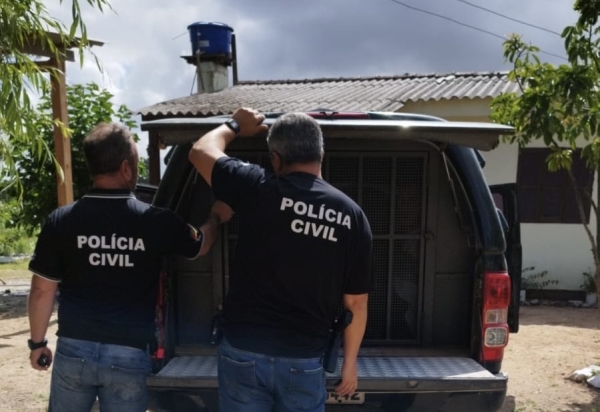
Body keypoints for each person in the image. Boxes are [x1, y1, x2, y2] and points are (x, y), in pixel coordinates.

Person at [27, 122, 232, 412]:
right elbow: (201, 243)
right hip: (129, 354)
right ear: (126, 167)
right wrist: (216, 216)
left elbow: (41, 290)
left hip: (74, 350)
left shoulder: (60, 221)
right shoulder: (155, 220)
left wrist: (37, 344)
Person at [189, 108, 373, 412]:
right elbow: (356, 304)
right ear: (321, 154)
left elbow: (200, 151)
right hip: (304, 359)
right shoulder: (352, 215)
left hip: (243, 351)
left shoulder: (255, 186)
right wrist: (349, 363)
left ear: (275, 159)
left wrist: (236, 125)